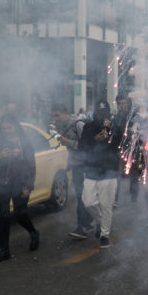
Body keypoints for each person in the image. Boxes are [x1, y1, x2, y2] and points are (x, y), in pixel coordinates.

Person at [0, 114, 39, 262]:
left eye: (9, 127)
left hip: (21, 183)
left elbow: (31, 166)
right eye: (4, 128)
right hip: (2, 184)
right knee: (3, 216)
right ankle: (4, 250)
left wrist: (28, 186)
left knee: (20, 213)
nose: (6, 130)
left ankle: (33, 233)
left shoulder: (24, 142)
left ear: (15, 127)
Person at [81, 100, 124, 247]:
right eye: (99, 113)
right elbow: (82, 147)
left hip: (108, 171)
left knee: (106, 205)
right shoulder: (88, 127)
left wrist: (110, 130)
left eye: (104, 113)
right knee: (88, 202)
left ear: (108, 113)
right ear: (95, 114)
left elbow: (120, 145)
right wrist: (94, 139)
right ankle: (103, 223)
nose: (102, 116)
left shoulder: (115, 127)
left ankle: (105, 234)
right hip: (91, 170)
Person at [52, 104, 93, 239]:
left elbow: (87, 146)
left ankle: (82, 227)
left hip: (84, 166)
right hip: (76, 166)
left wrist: (68, 142)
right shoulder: (63, 126)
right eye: (53, 116)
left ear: (65, 112)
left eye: (57, 115)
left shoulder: (79, 124)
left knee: (82, 197)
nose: (55, 118)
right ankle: (88, 223)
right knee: (82, 196)